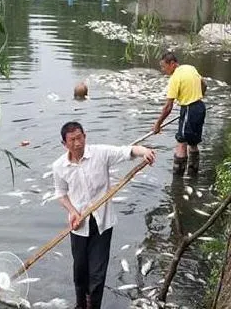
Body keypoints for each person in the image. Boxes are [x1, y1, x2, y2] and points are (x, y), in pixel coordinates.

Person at [52, 121, 155, 309]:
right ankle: (81, 303)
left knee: (98, 272)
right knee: (80, 271)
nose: (77, 143)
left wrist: (144, 152)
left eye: (80, 137)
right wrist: (73, 212)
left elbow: (127, 151)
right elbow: (60, 193)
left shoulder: (100, 153)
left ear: (85, 136)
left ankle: (95, 305)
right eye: (72, 140)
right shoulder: (59, 166)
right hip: (78, 225)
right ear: (64, 144)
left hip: (103, 223)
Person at [153, 52, 206, 175]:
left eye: (163, 66)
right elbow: (203, 83)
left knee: (181, 142)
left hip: (189, 109)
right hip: (200, 107)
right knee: (193, 143)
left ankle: (177, 179)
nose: (163, 70)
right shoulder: (190, 68)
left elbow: (168, 107)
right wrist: (200, 95)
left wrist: (158, 124)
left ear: (172, 64)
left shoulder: (175, 78)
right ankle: (193, 174)